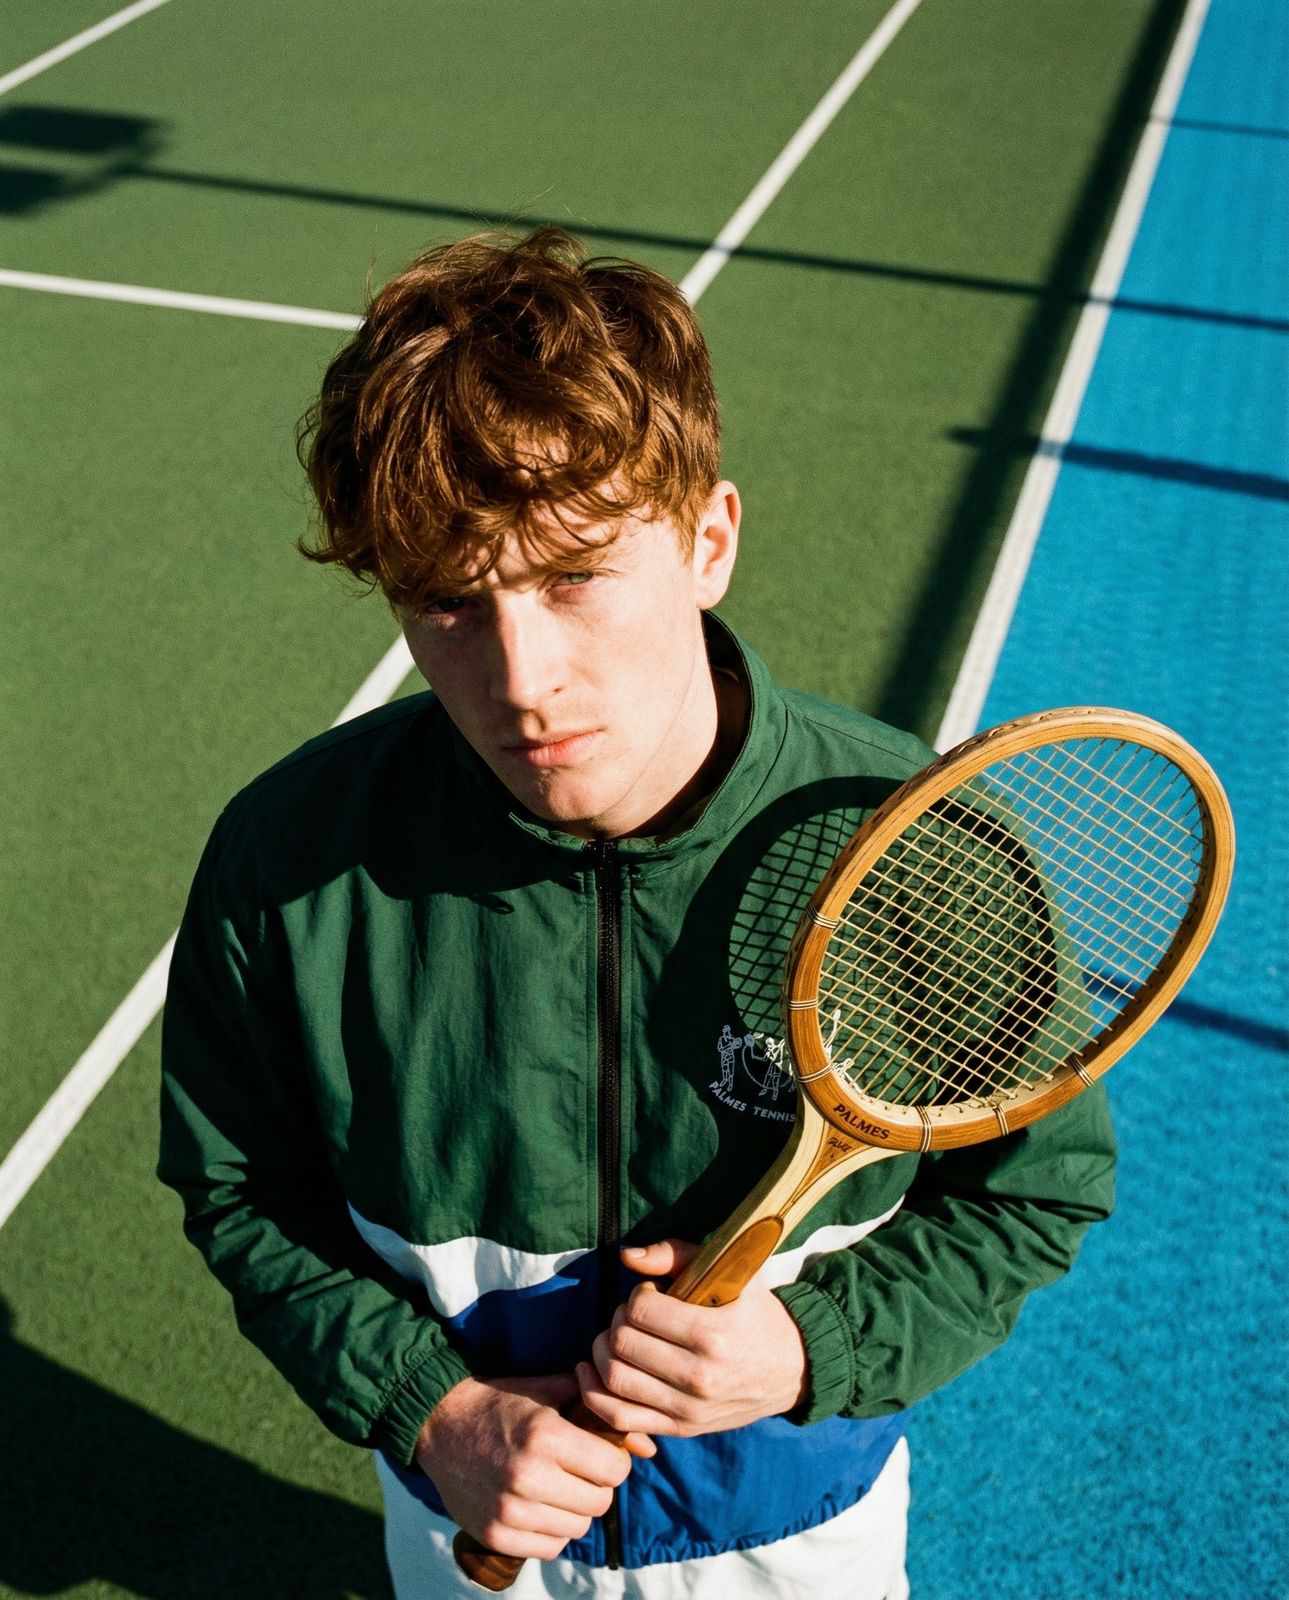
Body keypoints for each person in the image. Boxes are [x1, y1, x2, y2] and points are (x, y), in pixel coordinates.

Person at [158, 227, 1116, 1599]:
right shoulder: (288, 858)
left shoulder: (916, 846)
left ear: (708, 539)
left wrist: (811, 1351)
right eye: (445, 599)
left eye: (573, 576)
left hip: (800, 1532)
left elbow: (1034, 1188)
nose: (521, 676)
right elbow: (242, 1194)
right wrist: (430, 1406)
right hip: (463, 1521)